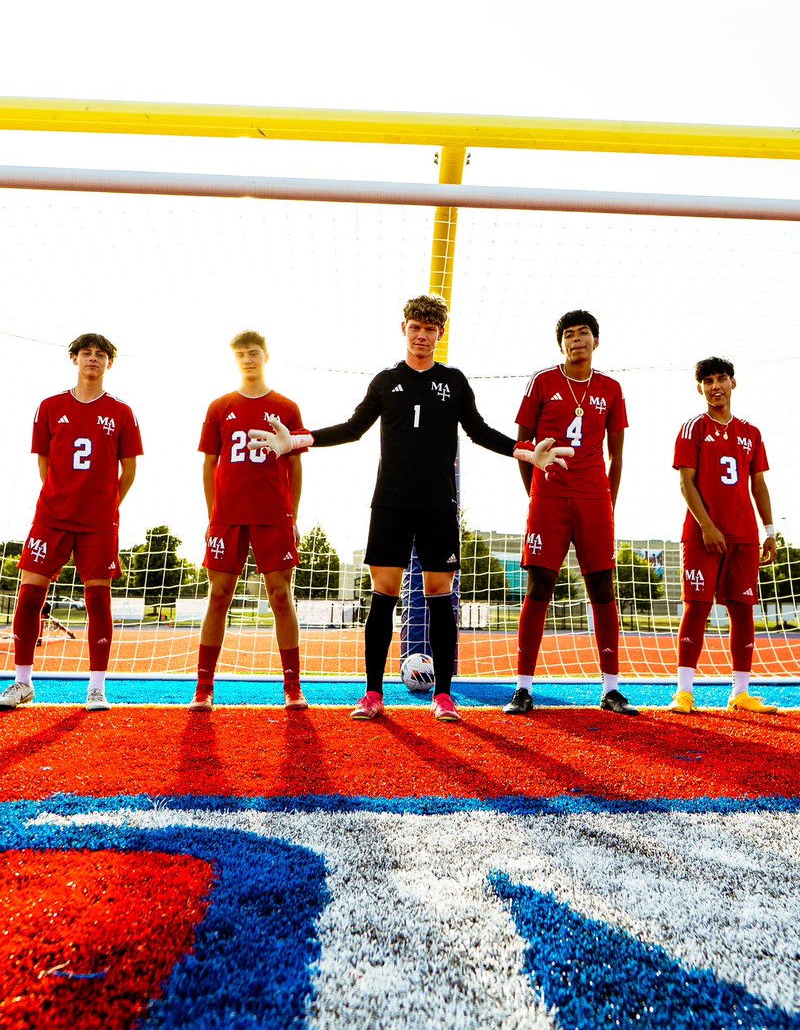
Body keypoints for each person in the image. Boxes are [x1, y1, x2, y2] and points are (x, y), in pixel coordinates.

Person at [249, 295, 566, 724]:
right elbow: (352, 427)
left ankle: (444, 696)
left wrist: (526, 454)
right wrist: (298, 440)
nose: (422, 336)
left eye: (430, 329)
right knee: (384, 596)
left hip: (437, 504)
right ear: (404, 329)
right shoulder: (385, 381)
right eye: (416, 327)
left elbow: (478, 430)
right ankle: (373, 693)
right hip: (391, 503)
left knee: (440, 596)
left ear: (439, 334)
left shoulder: (453, 381)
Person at [504, 310, 638, 716]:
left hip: (594, 499)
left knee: (601, 586)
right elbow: (521, 445)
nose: (576, 339)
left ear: (597, 341)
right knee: (539, 585)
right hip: (549, 497)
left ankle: (611, 689)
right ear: (560, 343)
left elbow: (617, 455)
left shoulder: (611, 389)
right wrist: (536, 494)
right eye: (568, 334)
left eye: (583, 333)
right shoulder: (543, 381)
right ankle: (523, 688)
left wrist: (607, 502)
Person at [0, 333, 143, 712]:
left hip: (98, 521)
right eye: (86, 353)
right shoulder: (49, 406)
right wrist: (60, 495)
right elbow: (44, 461)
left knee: (98, 598)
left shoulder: (122, 412)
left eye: (100, 355)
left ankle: (96, 688)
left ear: (109, 363)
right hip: (52, 516)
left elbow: (128, 469)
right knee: (30, 594)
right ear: (74, 359)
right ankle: (22, 682)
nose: (92, 359)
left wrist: (109, 504)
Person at [189, 330, 308, 712]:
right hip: (228, 516)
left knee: (279, 594)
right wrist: (212, 515)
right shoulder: (219, 406)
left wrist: (294, 516)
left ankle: (292, 687)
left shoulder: (286, 407)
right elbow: (209, 464)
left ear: (265, 356)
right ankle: (204, 687)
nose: (247, 359)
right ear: (234, 359)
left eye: (253, 352)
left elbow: (295, 463)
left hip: (273, 513)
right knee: (219, 595)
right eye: (240, 354)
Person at [669, 357, 779, 714]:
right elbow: (685, 481)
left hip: (744, 535)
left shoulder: (751, 432)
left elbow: (758, 484)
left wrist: (770, 531)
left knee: (743, 610)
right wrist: (706, 525)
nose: (716, 386)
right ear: (699, 388)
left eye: (721, 379)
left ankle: (741, 692)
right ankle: (684, 692)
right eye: (708, 381)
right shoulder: (693, 428)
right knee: (697, 608)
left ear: (733, 383)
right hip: (703, 534)